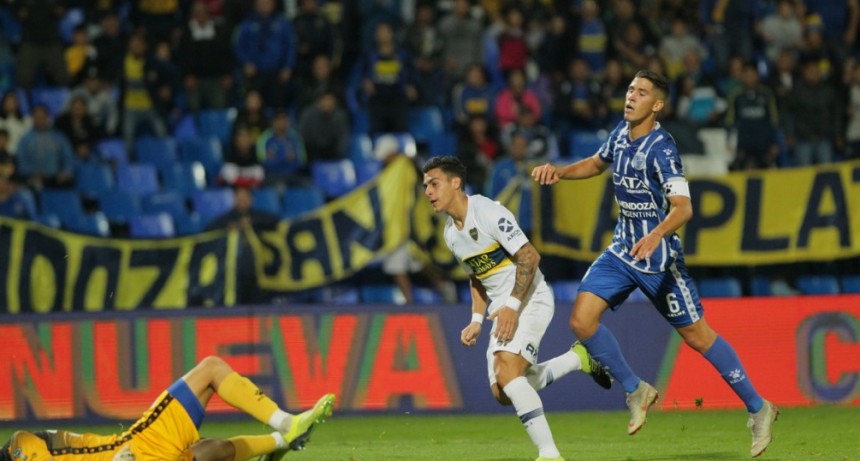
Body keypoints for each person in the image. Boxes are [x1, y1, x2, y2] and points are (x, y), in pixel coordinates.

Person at [531, 70, 779, 458]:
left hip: (659, 260)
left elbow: (684, 207)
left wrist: (656, 234)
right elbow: (598, 164)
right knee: (581, 320)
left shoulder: (662, 149)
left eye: (641, 92)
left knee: (698, 337)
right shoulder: (620, 133)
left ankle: (758, 407)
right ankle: (635, 388)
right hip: (622, 251)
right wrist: (560, 172)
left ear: (657, 105)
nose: (631, 96)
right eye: (630, 89)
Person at [421, 155, 611, 461]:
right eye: (425, 186)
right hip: (502, 307)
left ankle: (549, 454)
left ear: (456, 183)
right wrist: (476, 319)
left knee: (507, 371)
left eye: (434, 183)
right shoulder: (450, 234)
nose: (428, 192)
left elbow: (529, 256)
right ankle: (577, 359)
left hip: (530, 297)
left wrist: (511, 304)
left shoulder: (488, 212)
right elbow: (477, 275)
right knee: (503, 393)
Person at [0, 356, 335, 461]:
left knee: (204, 452)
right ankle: (287, 425)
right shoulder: (19, 447)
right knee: (212, 369)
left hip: (134, 452)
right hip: (136, 448)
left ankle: (282, 441)